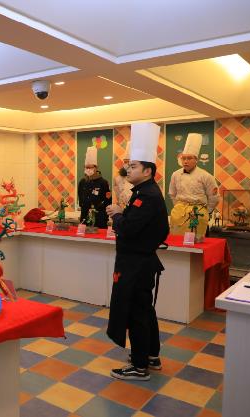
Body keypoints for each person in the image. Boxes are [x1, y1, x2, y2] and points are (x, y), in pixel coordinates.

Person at [105, 122, 169, 381]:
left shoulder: (147, 196)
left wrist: (117, 216)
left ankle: (140, 366)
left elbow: (130, 229)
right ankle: (151, 355)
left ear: (147, 170)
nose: (127, 170)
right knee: (145, 311)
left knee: (137, 314)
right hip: (140, 262)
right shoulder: (144, 191)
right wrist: (124, 214)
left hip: (136, 265)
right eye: (128, 166)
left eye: (133, 166)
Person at [168, 133, 219, 237]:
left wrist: (206, 211)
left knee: (195, 241)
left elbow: (214, 197)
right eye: (183, 158)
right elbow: (172, 194)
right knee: (177, 240)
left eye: (189, 158)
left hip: (198, 213)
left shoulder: (206, 176)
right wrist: (178, 207)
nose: (186, 161)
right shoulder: (175, 175)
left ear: (196, 160)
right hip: (179, 213)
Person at [78, 146, 110, 228]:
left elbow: (107, 201)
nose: (88, 169)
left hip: (99, 219)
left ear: (96, 168)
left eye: (90, 167)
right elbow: (80, 199)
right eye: (86, 167)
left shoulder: (103, 182)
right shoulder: (82, 182)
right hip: (85, 217)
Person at [113, 141, 133, 207]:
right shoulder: (118, 179)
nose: (126, 164)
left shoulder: (137, 178)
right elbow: (118, 195)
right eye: (125, 162)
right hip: (122, 206)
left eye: (128, 162)